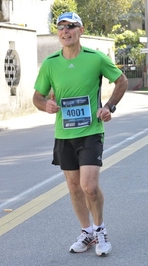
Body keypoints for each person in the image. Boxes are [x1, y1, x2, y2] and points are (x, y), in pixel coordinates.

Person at [33, 12, 128, 255]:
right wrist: (46, 105)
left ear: (81, 30)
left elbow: (122, 81)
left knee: (89, 186)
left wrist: (109, 107)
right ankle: (86, 232)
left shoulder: (95, 58)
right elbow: (37, 96)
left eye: (71, 27)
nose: (65, 31)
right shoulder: (50, 63)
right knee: (74, 187)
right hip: (64, 135)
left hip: (91, 131)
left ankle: (100, 230)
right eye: (61, 27)